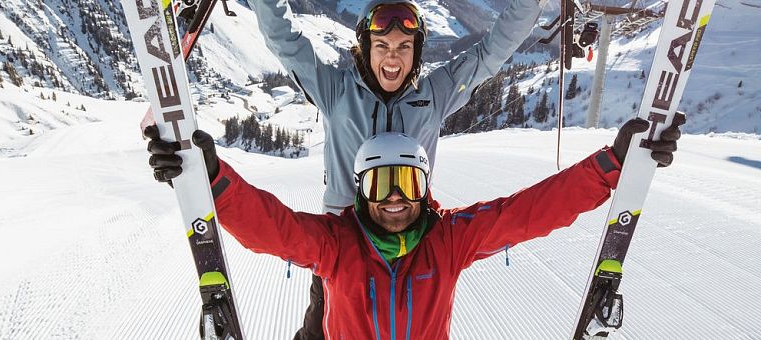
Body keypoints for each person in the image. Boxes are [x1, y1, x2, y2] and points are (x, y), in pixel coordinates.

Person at [145, 113, 685, 339]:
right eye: (382, 184)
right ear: (360, 190)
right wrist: (213, 179)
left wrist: (610, 168)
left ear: (426, 186)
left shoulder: (448, 239)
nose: (397, 198)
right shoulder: (338, 245)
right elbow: (275, 228)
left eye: (408, 182)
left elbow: (525, 212)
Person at [238, 1, 549, 337]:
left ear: (416, 52)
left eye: (404, 46)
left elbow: (492, 52)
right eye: (382, 45)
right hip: (344, 245)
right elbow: (284, 40)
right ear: (365, 48)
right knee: (319, 328)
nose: (392, 57)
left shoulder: (434, 94)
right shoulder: (336, 91)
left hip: (411, 241)